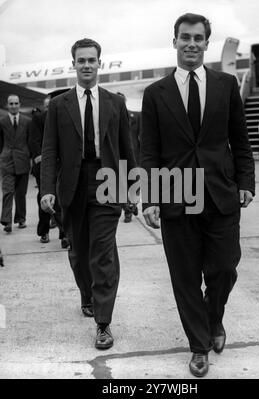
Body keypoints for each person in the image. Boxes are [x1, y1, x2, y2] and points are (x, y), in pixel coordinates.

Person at [141, 13, 255, 377]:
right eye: (185, 37)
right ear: (174, 42)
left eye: (198, 38)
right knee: (185, 276)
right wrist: (150, 197)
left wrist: (246, 181)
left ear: (207, 43)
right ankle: (199, 345)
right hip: (176, 196)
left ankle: (213, 317)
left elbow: (240, 139)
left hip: (220, 193)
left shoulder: (225, 85)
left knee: (224, 268)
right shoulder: (155, 93)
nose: (191, 43)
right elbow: (150, 151)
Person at [40, 38, 136, 350]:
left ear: (99, 63)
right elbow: (50, 150)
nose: (86, 65)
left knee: (103, 253)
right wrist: (45, 190)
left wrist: (133, 191)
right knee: (79, 252)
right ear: (74, 64)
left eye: (91, 60)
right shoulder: (59, 105)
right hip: (72, 185)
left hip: (106, 181)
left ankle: (104, 323)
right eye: (81, 60)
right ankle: (87, 296)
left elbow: (127, 149)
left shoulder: (114, 103)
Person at [29, 96, 70, 248]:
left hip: (61, 165)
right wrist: (39, 157)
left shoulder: (62, 116)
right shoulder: (38, 119)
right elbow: (34, 140)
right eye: (47, 105)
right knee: (44, 198)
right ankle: (44, 230)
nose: (49, 107)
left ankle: (64, 234)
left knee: (60, 200)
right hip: (43, 166)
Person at [0, 94, 31, 233]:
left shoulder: (27, 121)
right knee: (7, 191)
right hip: (7, 161)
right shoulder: (2, 122)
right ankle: (7, 221)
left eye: (16, 103)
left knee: (21, 193)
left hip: (23, 160)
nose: (13, 106)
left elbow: (30, 140)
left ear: (19, 104)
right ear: (7, 105)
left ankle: (21, 218)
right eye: (11, 104)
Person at [116, 92, 140, 223]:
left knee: (135, 183)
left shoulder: (135, 116)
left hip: (134, 156)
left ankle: (133, 205)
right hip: (118, 157)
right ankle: (128, 208)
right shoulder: (111, 118)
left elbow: (142, 137)